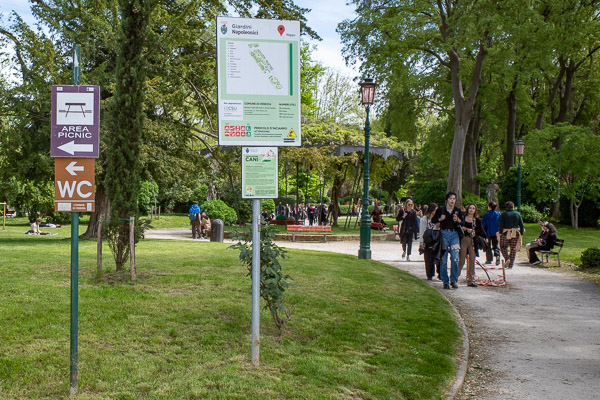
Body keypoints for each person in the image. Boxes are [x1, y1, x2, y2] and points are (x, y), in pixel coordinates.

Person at [432, 192, 463, 289]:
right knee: (444, 259)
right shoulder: (441, 210)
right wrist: (440, 219)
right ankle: (445, 281)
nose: (452, 201)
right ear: (447, 200)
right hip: (444, 234)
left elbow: (463, 222)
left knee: (455, 258)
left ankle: (453, 280)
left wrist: (458, 220)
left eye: (454, 199)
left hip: (454, 234)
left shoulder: (457, 211)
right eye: (450, 198)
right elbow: (433, 220)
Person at [459, 204, 485, 287]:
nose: (471, 210)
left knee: (472, 260)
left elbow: (480, 231)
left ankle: (471, 280)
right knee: (462, 260)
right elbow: (457, 226)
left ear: (475, 210)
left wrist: (473, 231)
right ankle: (454, 278)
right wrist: (463, 228)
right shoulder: (463, 218)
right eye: (470, 208)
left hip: (472, 241)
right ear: (467, 209)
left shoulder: (476, 220)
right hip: (463, 239)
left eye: (473, 208)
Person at [498, 201, 525, 269]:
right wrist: (521, 233)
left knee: (503, 247)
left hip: (505, 233)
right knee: (513, 248)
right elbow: (521, 225)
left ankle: (507, 259)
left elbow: (501, 224)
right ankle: (511, 264)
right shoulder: (517, 214)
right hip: (514, 233)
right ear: (513, 206)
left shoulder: (503, 214)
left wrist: (501, 231)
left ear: (506, 207)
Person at [419, 202, 441, 280]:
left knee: (439, 256)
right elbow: (422, 231)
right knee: (428, 258)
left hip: (437, 239)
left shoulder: (439, 219)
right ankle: (430, 274)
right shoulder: (424, 219)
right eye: (434, 210)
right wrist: (421, 243)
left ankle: (440, 273)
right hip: (428, 240)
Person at [481, 201, 501, 265]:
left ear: (489, 207)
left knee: (488, 246)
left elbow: (483, 224)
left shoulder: (486, 214)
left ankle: (489, 259)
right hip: (496, 232)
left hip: (488, 232)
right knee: (495, 245)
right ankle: (497, 255)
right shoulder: (498, 214)